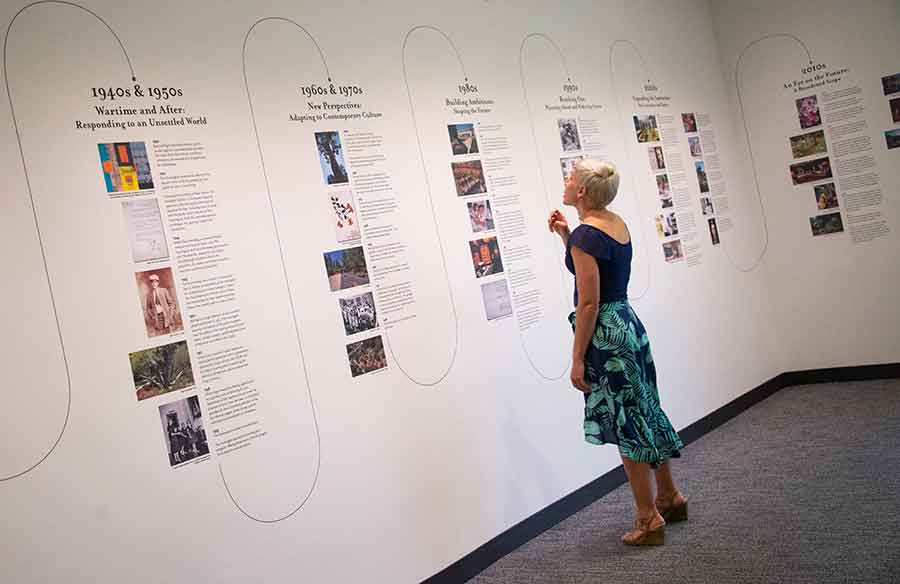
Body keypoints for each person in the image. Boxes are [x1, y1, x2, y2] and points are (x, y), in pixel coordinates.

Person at [547, 159, 686, 546]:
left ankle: (648, 518)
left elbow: (589, 301)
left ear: (581, 191)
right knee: (646, 408)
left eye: (570, 178)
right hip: (628, 323)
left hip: (607, 336)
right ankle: (670, 497)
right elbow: (598, 272)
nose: (566, 182)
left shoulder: (585, 236)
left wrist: (577, 358)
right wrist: (566, 235)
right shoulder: (614, 223)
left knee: (628, 423)